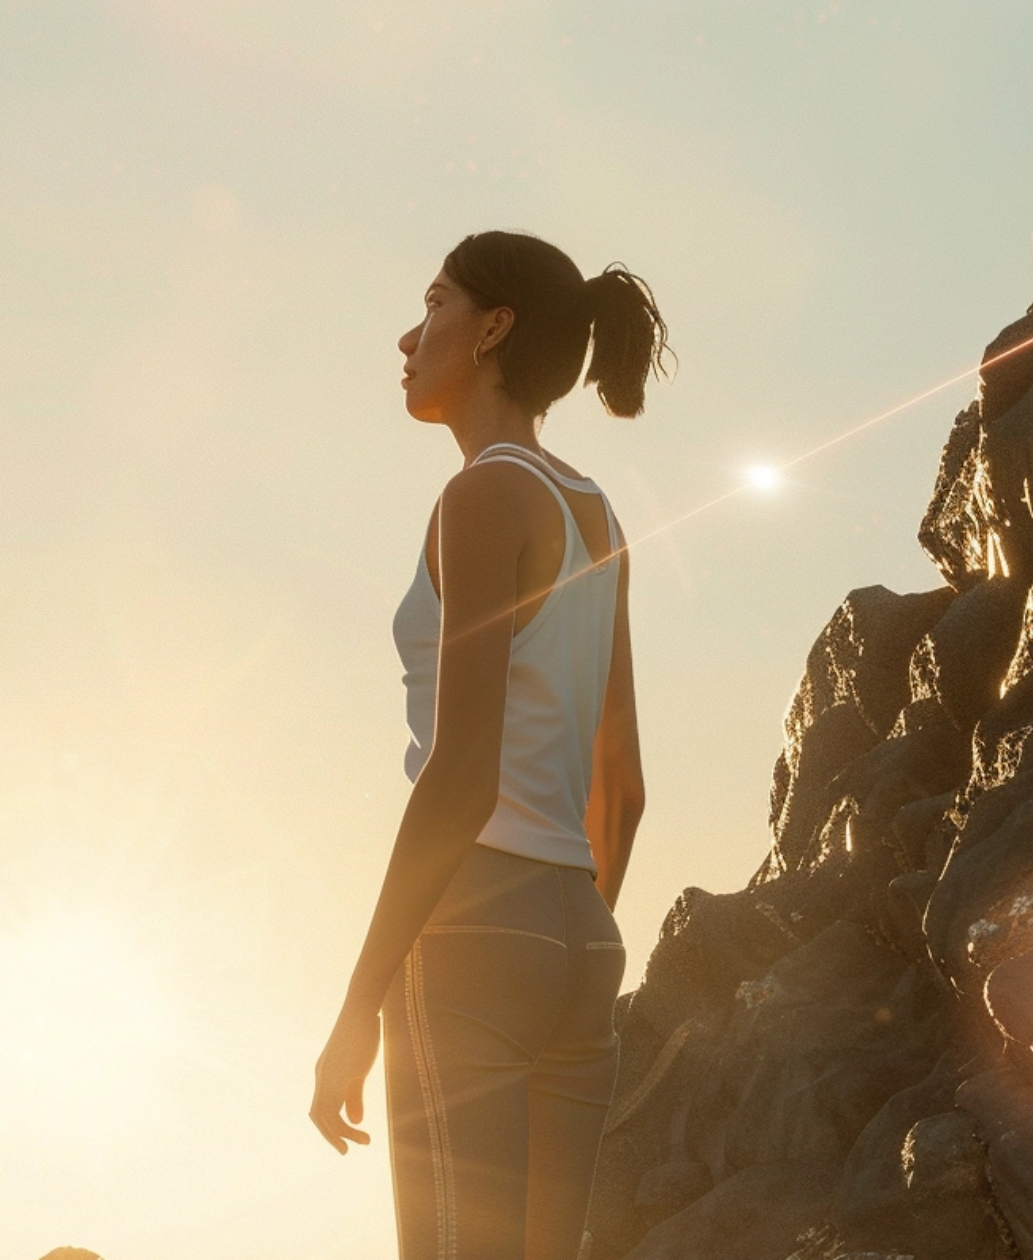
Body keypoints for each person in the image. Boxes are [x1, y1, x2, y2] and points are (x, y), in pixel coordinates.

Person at [309, 230, 668, 1260]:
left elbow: (459, 779)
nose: (407, 336)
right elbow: (622, 784)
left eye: (432, 305)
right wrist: (563, 926)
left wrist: (358, 1003)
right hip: (578, 942)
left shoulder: (480, 496)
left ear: (492, 327)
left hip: (472, 930)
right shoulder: (596, 515)